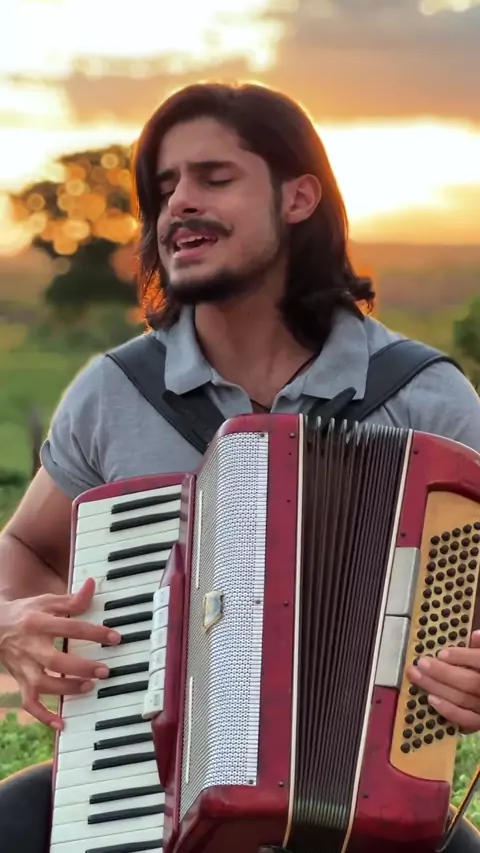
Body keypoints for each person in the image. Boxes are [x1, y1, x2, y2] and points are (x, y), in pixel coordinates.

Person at [0, 82, 479, 852]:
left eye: (213, 177)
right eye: (165, 188)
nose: (179, 204)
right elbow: (24, 545)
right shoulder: (118, 392)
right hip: (139, 793)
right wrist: (12, 621)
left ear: (298, 198)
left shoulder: (424, 398)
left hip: (363, 807)